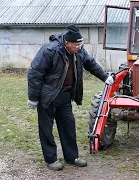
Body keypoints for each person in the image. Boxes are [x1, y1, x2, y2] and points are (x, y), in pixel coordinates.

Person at [27, 24, 114, 171]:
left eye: (81, 44)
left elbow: (90, 64)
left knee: (68, 127)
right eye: (76, 45)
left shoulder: (79, 51)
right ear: (67, 43)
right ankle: (51, 159)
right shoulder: (50, 51)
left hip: (65, 95)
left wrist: (105, 76)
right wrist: (33, 97)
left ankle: (71, 157)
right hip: (48, 96)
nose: (79, 47)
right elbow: (35, 73)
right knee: (46, 129)